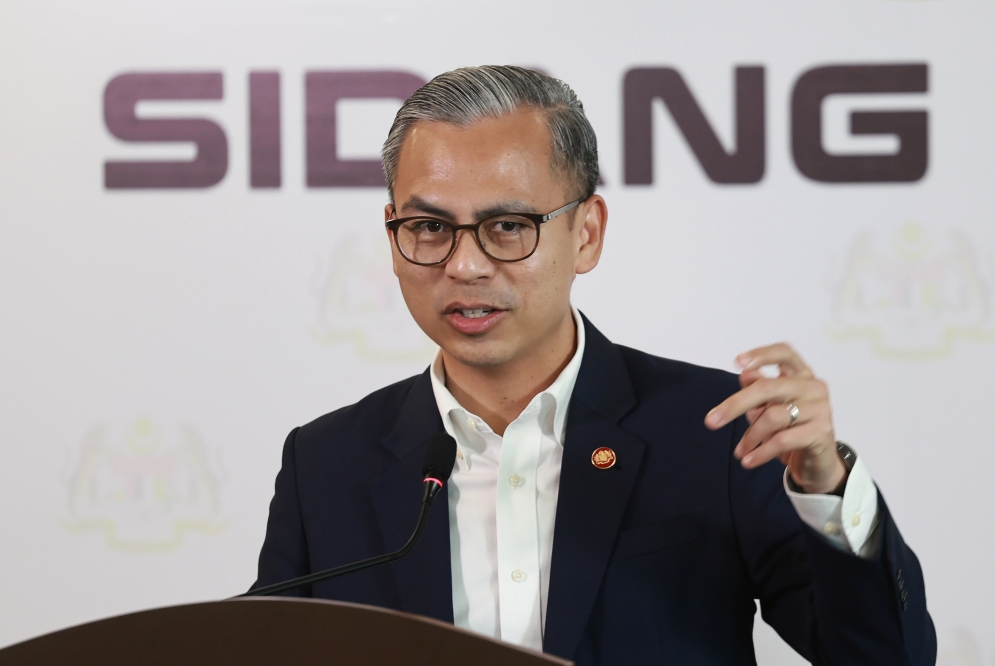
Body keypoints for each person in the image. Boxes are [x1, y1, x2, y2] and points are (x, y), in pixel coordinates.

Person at [253, 66, 935, 665]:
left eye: (508, 226)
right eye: (429, 227)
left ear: (587, 233)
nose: (464, 265)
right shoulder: (326, 464)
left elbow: (886, 659)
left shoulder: (718, 430)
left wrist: (827, 486)